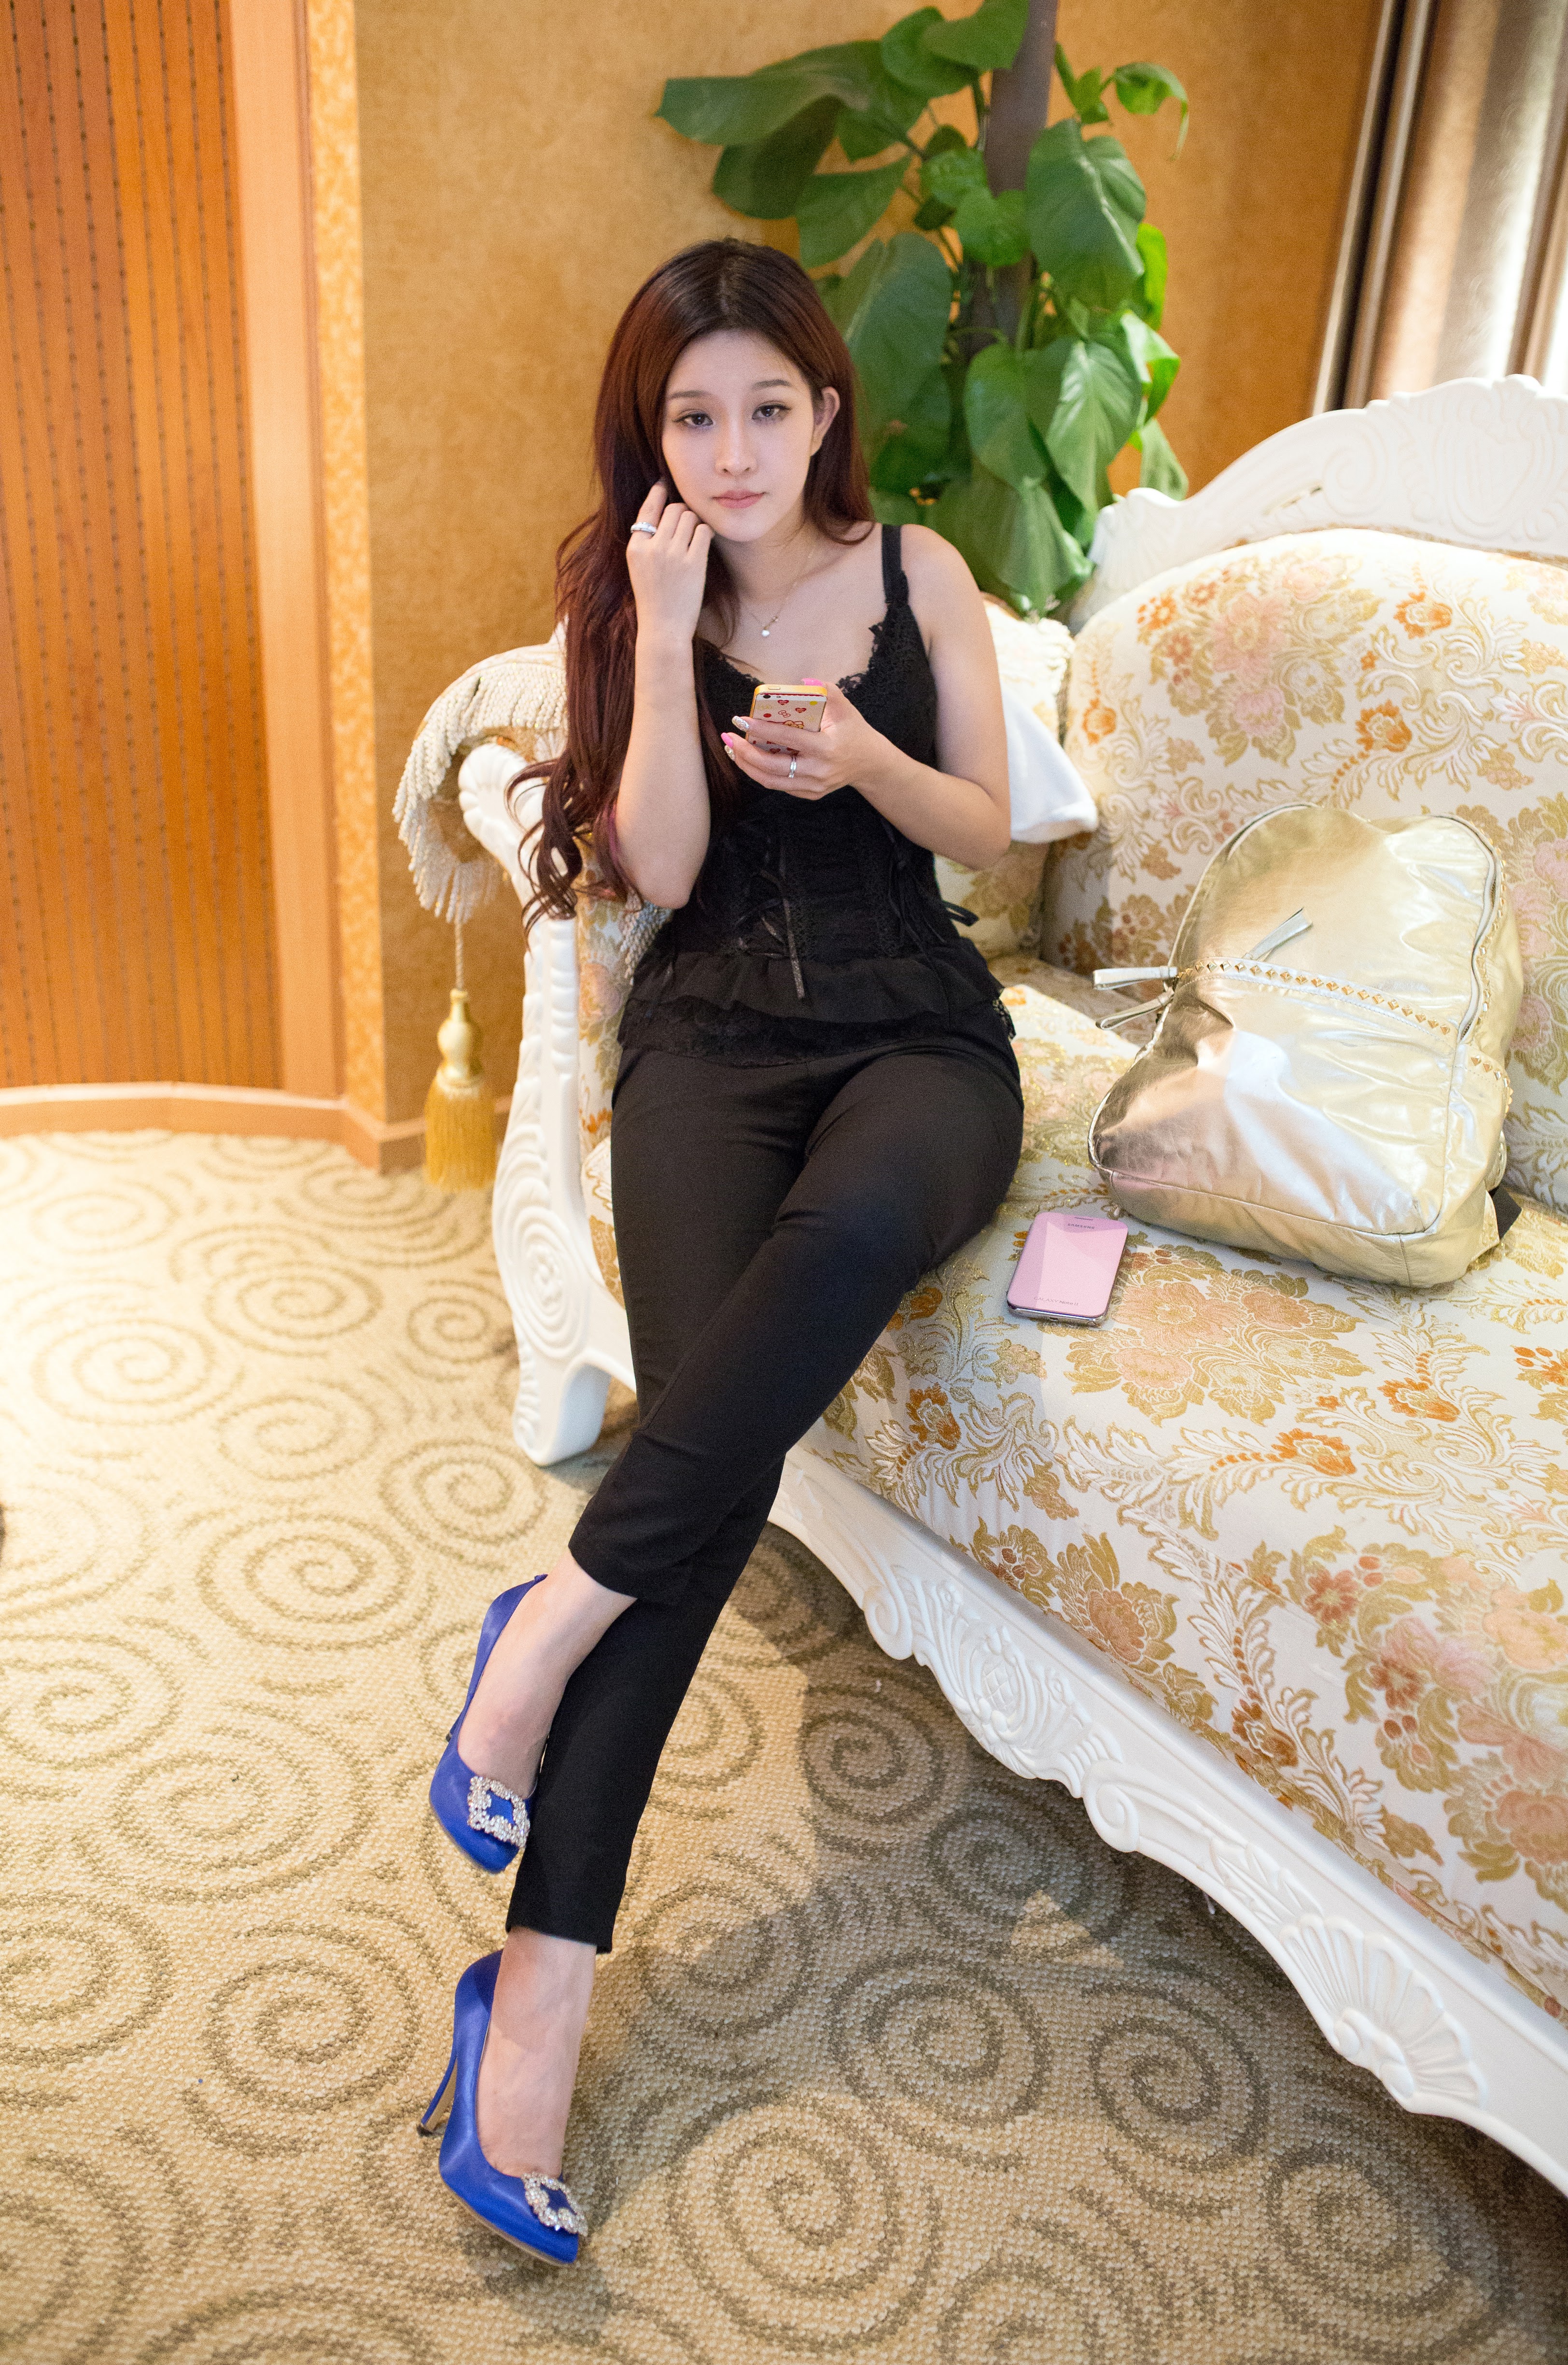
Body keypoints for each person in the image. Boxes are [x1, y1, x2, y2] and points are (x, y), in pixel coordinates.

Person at [419, 238, 1024, 2264]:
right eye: (695, 415)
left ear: (826, 408)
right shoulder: (632, 598)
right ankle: (539, 1991)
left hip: (915, 1039)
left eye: (769, 404)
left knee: (853, 1228)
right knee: (706, 1460)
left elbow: (984, 827)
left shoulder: (921, 575)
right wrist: (670, 627)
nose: (737, 446)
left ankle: (542, 1629)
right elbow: (663, 869)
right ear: (653, 434)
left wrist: (862, 758)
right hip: (710, 1047)